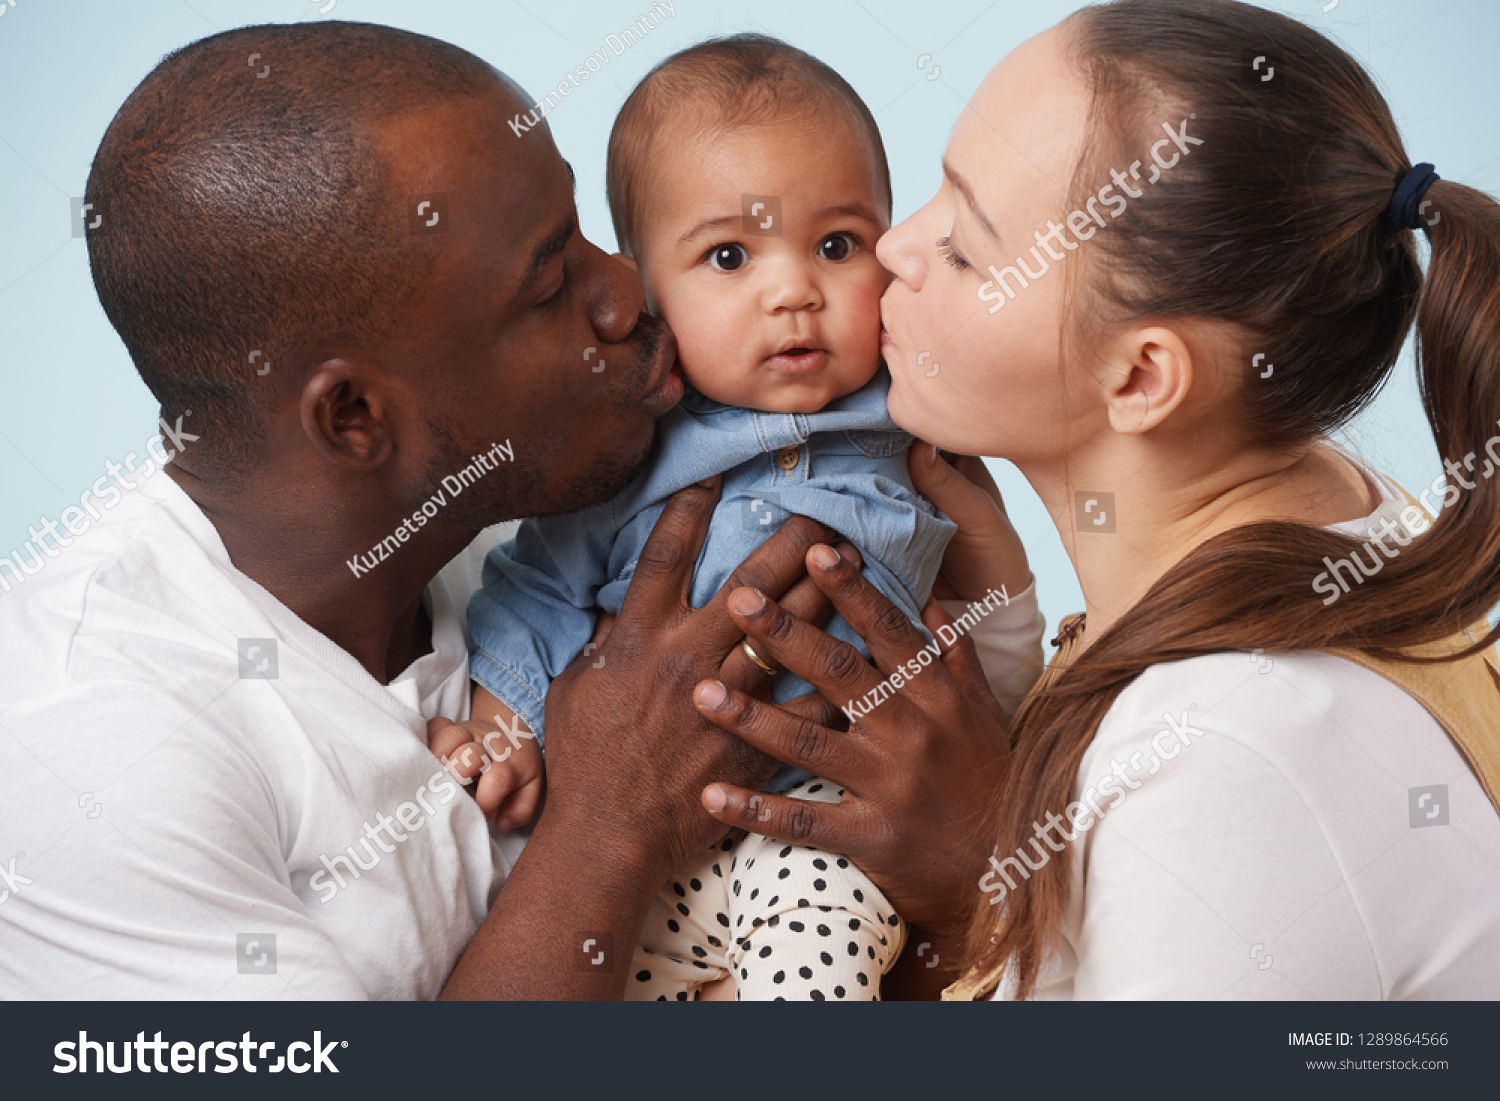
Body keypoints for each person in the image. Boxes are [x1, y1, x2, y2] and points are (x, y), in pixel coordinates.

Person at [0, 19, 1019, 1001]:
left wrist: (965, 884)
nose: (629, 292)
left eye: (586, 232)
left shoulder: (534, 505)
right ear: (357, 417)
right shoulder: (88, 742)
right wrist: (611, 820)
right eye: (552, 283)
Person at [691, 0, 1500, 998]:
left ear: (1143, 379)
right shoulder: (1340, 508)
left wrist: (988, 887)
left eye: (966, 249)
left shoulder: (1226, 764)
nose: (897, 247)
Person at [438, 34, 1043, 1002]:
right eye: (728, 256)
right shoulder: (632, 448)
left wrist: (1001, 749)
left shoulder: (917, 415)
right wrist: (502, 717)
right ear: (645, 289)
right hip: (629, 842)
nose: (793, 290)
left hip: (834, 817)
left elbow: (981, 643)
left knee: (819, 960)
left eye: (837, 246)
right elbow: (539, 581)